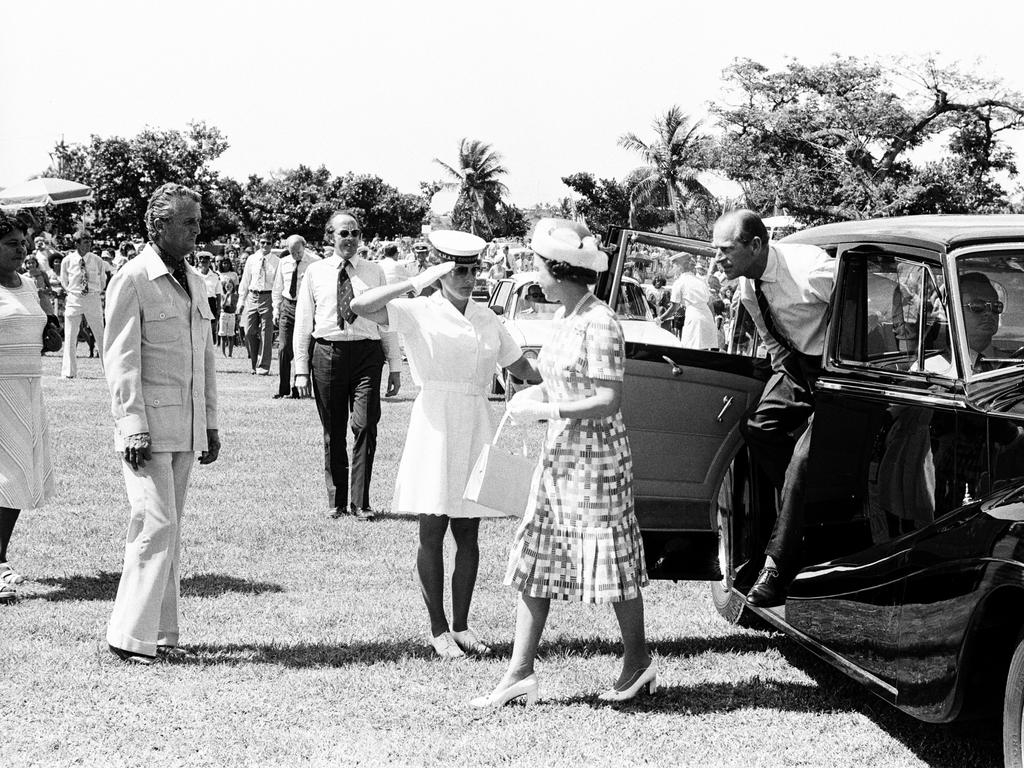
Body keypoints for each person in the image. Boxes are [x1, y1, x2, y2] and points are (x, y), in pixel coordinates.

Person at [473, 219, 652, 708]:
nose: (534, 274)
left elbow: (608, 398)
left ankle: (637, 663)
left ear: (560, 270)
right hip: (561, 456)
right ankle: (519, 672)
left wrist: (548, 408)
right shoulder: (564, 318)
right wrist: (536, 394)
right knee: (538, 555)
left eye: (537, 265)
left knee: (613, 563)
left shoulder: (600, 321)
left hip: (597, 462)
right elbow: (563, 380)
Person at [351, 229, 537, 658]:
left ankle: (462, 626)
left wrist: (565, 375)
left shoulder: (487, 317)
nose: (467, 278)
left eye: (472, 270)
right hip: (434, 422)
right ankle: (436, 629)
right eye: (457, 270)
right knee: (432, 528)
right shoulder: (418, 309)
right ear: (440, 271)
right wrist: (418, 280)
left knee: (468, 530)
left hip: (474, 421)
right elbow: (360, 306)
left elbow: (521, 366)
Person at [103, 183, 219, 663]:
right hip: (147, 428)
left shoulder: (195, 280)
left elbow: (205, 359)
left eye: (197, 220)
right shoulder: (132, 279)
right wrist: (132, 424)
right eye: (187, 222)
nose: (197, 229)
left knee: (170, 529)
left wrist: (210, 423)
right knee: (155, 523)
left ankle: (162, 634)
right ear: (158, 227)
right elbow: (121, 360)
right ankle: (128, 636)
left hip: (186, 426)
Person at [711, 209, 834, 608]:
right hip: (798, 369)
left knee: (803, 459)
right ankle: (808, 507)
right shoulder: (748, 288)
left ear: (756, 246)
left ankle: (778, 564)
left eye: (726, 250)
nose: (718, 260)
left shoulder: (811, 269)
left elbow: (874, 308)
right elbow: (773, 343)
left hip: (840, 373)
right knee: (758, 428)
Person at [293, 210, 402, 521]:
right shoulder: (315, 272)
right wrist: (301, 368)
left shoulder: (375, 271)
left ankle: (361, 502)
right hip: (327, 354)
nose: (350, 239)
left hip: (367, 355)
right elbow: (303, 321)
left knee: (366, 424)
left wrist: (395, 364)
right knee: (334, 430)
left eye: (355, 233)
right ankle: (337, 500)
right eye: (344, 233)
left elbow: (388, 320)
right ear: (331, 237)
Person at [0, 210, 55, 604]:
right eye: (11, 244)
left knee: (19, 478)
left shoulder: (28, 286)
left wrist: (49, 336)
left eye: (22, 243)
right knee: (6, 478)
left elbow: (38, 336)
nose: (21, 250)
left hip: (27, 390)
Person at [272, 235, 320, 399]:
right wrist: (276, 309)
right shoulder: (284, 262)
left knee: (306, 348)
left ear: (304, 247)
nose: (295, 256)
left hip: (307, 307)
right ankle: (283, 389)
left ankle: (300, 388)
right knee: (284, 348)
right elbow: (278, 288)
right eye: (292, 252)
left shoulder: (315, 262)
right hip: (288, 306)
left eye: (298, 252)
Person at [59, 229, 109, 378]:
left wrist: (95, 291)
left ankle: (109, 370)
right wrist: (72, 291)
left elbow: (102, 279)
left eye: (90, 242)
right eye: (85, 242)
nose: (89, 245)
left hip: (92, 298)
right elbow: (64, 279)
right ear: (77, 244)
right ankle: (69, 372)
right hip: (74, 298)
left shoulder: (97, 260)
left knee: (101, 334)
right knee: (70, 335)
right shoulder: (67, 260)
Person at [237, 233, 279, 375]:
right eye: (262, 242)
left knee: (266, 333)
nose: (265, 245)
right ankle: (254, 363)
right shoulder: (252, 259)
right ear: (258, 243)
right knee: (249, 331)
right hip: (252, 296)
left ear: (272, 244)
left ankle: (263, 366)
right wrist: (241, 301)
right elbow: (245, 279)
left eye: (268, 243)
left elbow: (278, 284)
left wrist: (277, 304)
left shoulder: (276, 261)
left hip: (268, 296)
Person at [667, 252, 719, 349]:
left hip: (694, 319)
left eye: (675, 265)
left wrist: (660, 319)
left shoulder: (679, 283)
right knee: (707, 351)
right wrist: (712, 322)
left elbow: (674, 308)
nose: (674, 268)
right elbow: (710, 304)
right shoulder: (701, 281)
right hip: (707, 318)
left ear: (680, 266)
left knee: (691, 352)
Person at [217, 256, 239, 357]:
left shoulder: (234, 274)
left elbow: (236, 289)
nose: (225, 265)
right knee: (222, 333)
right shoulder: (219, 274)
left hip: (232, 310)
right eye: (223, 263)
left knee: (231, 334)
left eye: (227, 263)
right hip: (223, 307)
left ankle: (230, 353)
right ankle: (222, 352)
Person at [196, 251, 221, 337]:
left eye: (206, 261)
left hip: (211, 302)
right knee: (199, 325)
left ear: (210, 262)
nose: (204, 263)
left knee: (211, 327)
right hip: (199, 301)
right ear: (199, 262)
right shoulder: (195, 274)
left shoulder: (215, 276)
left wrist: (219, 308)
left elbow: (218, 293)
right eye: (202, 261)